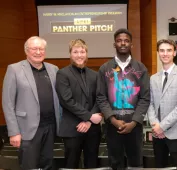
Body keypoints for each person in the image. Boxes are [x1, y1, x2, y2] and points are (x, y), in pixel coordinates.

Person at [2, 36, 60, 170]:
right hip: (26, 129)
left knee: (48, 164)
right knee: (29, 166)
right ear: (26, 51)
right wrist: (13, 132)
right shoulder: (14, 69)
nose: (38, 52)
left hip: (50, 127)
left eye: (41, 49)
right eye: (34, 49)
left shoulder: (54, 69)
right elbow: (8, 103)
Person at [96, 28, 150, 169]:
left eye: (126, 41)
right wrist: (113, 120)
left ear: (131, 44)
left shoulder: (141, 68)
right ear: (115, 44)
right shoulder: (104, 68)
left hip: (135, 126)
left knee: (136, 164)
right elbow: (101, 97)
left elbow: (145, 98)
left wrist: (134, 122)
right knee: (115, 163)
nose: (123, 43)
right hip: (112, 126)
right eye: (119, 41)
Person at [56, 39, 102, 168]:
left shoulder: (95, 75)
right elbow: (66, 100)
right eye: (75, 52)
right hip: (72, 129)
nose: (79, 55)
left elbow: (100, 98)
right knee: (71, 165)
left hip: (92, 129)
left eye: (82, 52)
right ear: (70, 54)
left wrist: (89, 121)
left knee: (92, 164)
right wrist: (89, 116)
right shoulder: (62, 74)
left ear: (86, 54)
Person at [147, 39, 177, 169]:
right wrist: (155, 124)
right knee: (160, 166)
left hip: (176, 131)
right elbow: (150, 104)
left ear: (175, 52)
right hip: (157, 133)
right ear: (158, 53)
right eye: (162, 50)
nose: (165, 53)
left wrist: (162, 126)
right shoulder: (153, 78)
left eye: (169, 50)